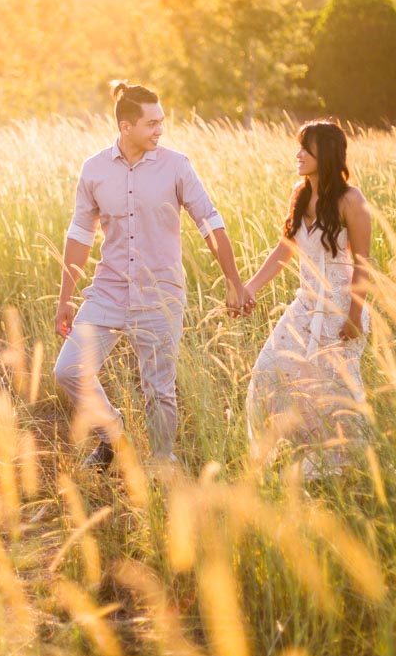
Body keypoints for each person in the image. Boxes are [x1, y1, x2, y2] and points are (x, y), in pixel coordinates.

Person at [53, 81, 252, 470]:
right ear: (126, 127)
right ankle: (112, 436)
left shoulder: (176, 165)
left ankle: (163, 463)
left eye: (161, 121)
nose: (160, 130)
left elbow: (209, 222)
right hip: (108, 291)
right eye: (151, 123)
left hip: (160, 293)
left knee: (158, 390)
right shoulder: (94, 170)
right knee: (69, 370)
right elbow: (80, 235)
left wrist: (233, 280)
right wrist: (66, 297)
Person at [242, 120, 372, 479]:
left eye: (306, 148)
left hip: (340, 307)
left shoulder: (351, 200)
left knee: (330, 390)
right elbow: (285, 250)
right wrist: (250, 288)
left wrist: (354, 315)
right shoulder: (300, 193)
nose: (298, 154)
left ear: (325, 154)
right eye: (299, 147)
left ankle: (345, 463)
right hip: (305, 304)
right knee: (268, 372)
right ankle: (291, 454)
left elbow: (363, 263)